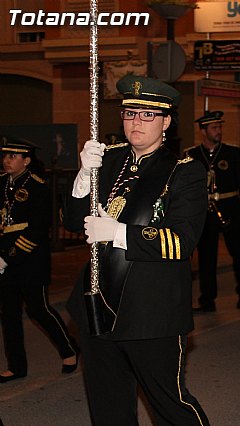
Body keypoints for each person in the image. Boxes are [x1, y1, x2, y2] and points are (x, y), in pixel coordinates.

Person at [63, 75, 209, 424]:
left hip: (151, 310)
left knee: (170, 405)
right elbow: (71, 221)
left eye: (147, 115)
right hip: (98, 304)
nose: (136, 122)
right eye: (130, 114)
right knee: (108, 406)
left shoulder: (183, 172)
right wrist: (83, 176)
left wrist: (119, 233)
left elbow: (181, 242)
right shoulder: (108, 160)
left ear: (166, 122)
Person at [0, 136, 78, 383]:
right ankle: (16, 366)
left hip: (29, 259)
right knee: (9, 313)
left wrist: (8, 257)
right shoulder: (1, 183)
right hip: (3, 259)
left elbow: (36, 229)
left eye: (13, 156)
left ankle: (68, 349)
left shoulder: (37, 186)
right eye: (5, 156)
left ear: (26, 160)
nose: (6, 160)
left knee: (38, 310)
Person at [186, 110, 240, 311]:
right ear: (203, 131)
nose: (219, 131)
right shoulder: (191, 155)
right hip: (205, 212)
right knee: (207, 259)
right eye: (214, 128)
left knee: (239, 255)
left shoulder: (232, 153)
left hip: (231, 208)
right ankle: (207, 300)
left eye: (220, 127)